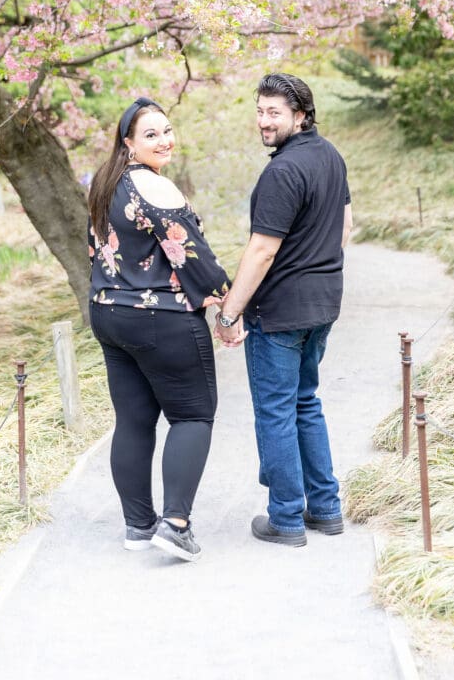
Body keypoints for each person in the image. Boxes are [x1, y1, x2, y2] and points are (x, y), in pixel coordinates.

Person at [87, 96, 232, 562]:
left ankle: (137, 524)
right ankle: (175, 525)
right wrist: (228, 303)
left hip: (109, 313)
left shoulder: (105, 187)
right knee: (193, 415)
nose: (164, 140)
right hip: (161, 318)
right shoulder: (156, 187)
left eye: (168, 131)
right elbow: (193, 257)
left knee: (132, 420)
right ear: (129, 143)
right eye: (151, 134)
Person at [214, 73, 352, 547]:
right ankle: (327, 509)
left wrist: (230, 313)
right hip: (322, 305)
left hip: (279, 313)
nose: (264, 121)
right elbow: (346, 225)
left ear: (300, 115)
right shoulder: (330, 155)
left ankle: (287, 519)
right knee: (305, 402)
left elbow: (261, 252)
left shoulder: (282, 172)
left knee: (276, 411)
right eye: (260, 110)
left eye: (274, 112)